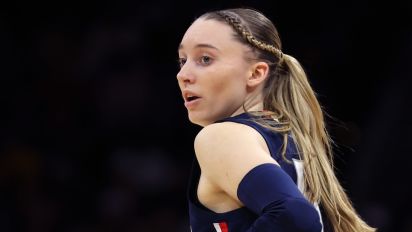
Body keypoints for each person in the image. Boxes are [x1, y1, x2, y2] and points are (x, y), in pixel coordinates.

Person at [176, 7, 376, 232]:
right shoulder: (291, 140)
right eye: (183, 61)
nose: (183, 75)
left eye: (205, 59)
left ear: (255, 73)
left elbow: (296, 216)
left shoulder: (223, 136)